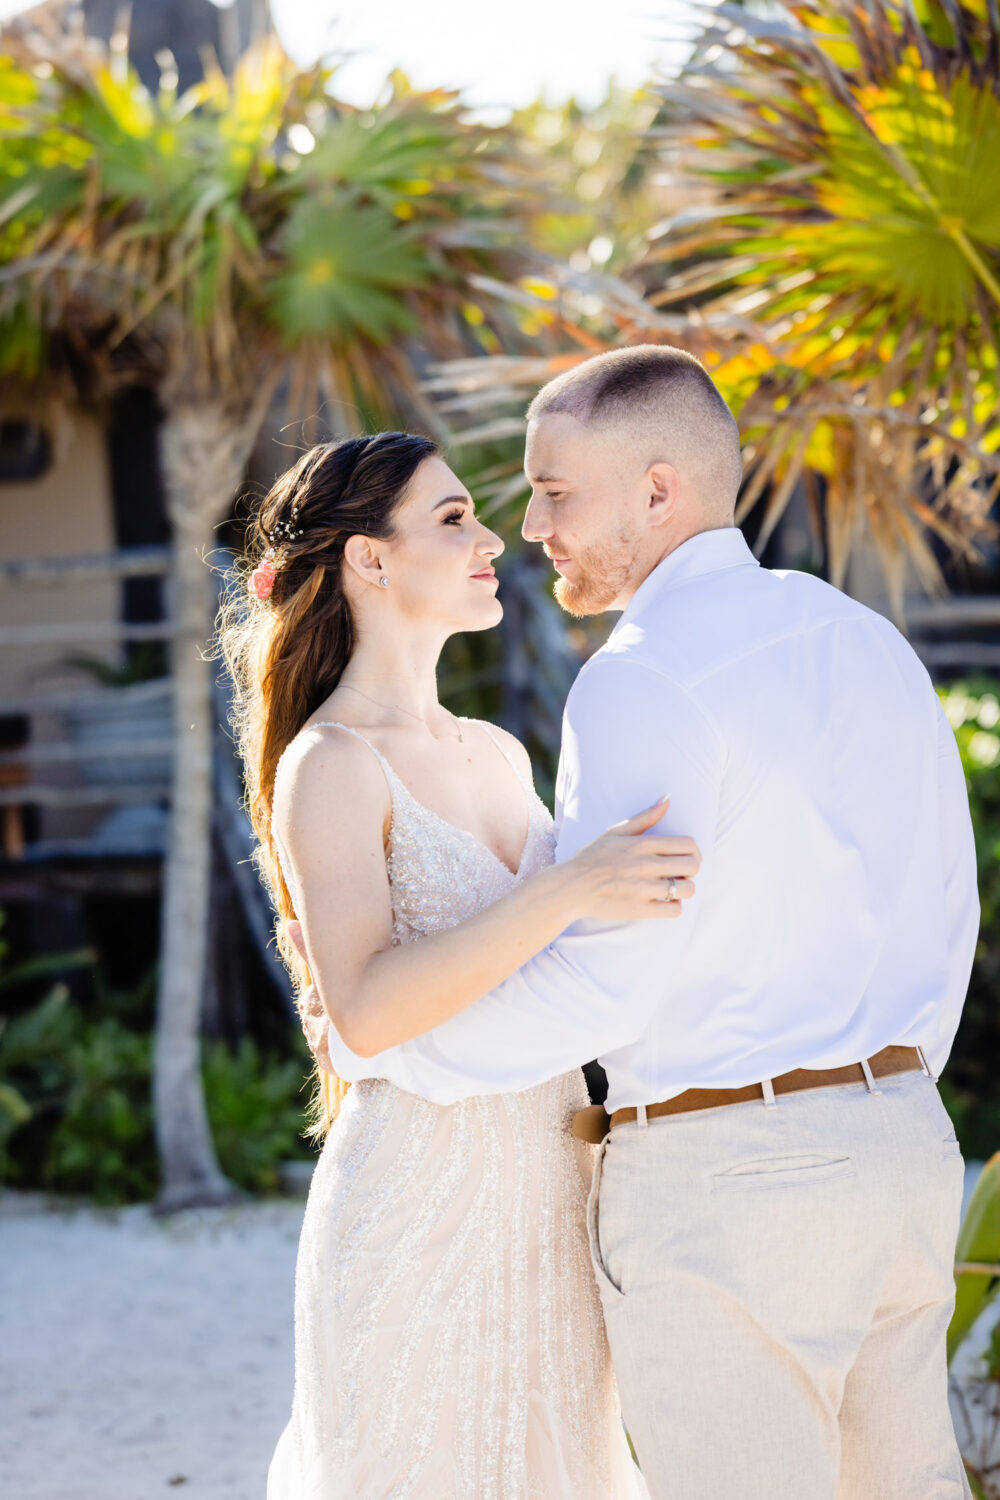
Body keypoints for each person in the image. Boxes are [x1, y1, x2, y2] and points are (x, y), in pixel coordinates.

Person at [309, 345, 981, 1500]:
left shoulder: (642, 676)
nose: (530, 528)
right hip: (907, 1155)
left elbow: (607, 982)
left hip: (730, 1184)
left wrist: (394, 1045)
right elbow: (949, 908)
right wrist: (889, 1088)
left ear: (657, 490)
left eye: (556, 492)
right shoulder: (866, 641)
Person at [216, 429, 702, 1498]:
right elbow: (370, 1006)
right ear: (368, 561)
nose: (492, 538)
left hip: (551, 1196)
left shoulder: (496, 750)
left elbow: (572, 967)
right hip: (411, 1207)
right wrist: (569, 885)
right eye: (452, 519)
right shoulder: (329, 765)